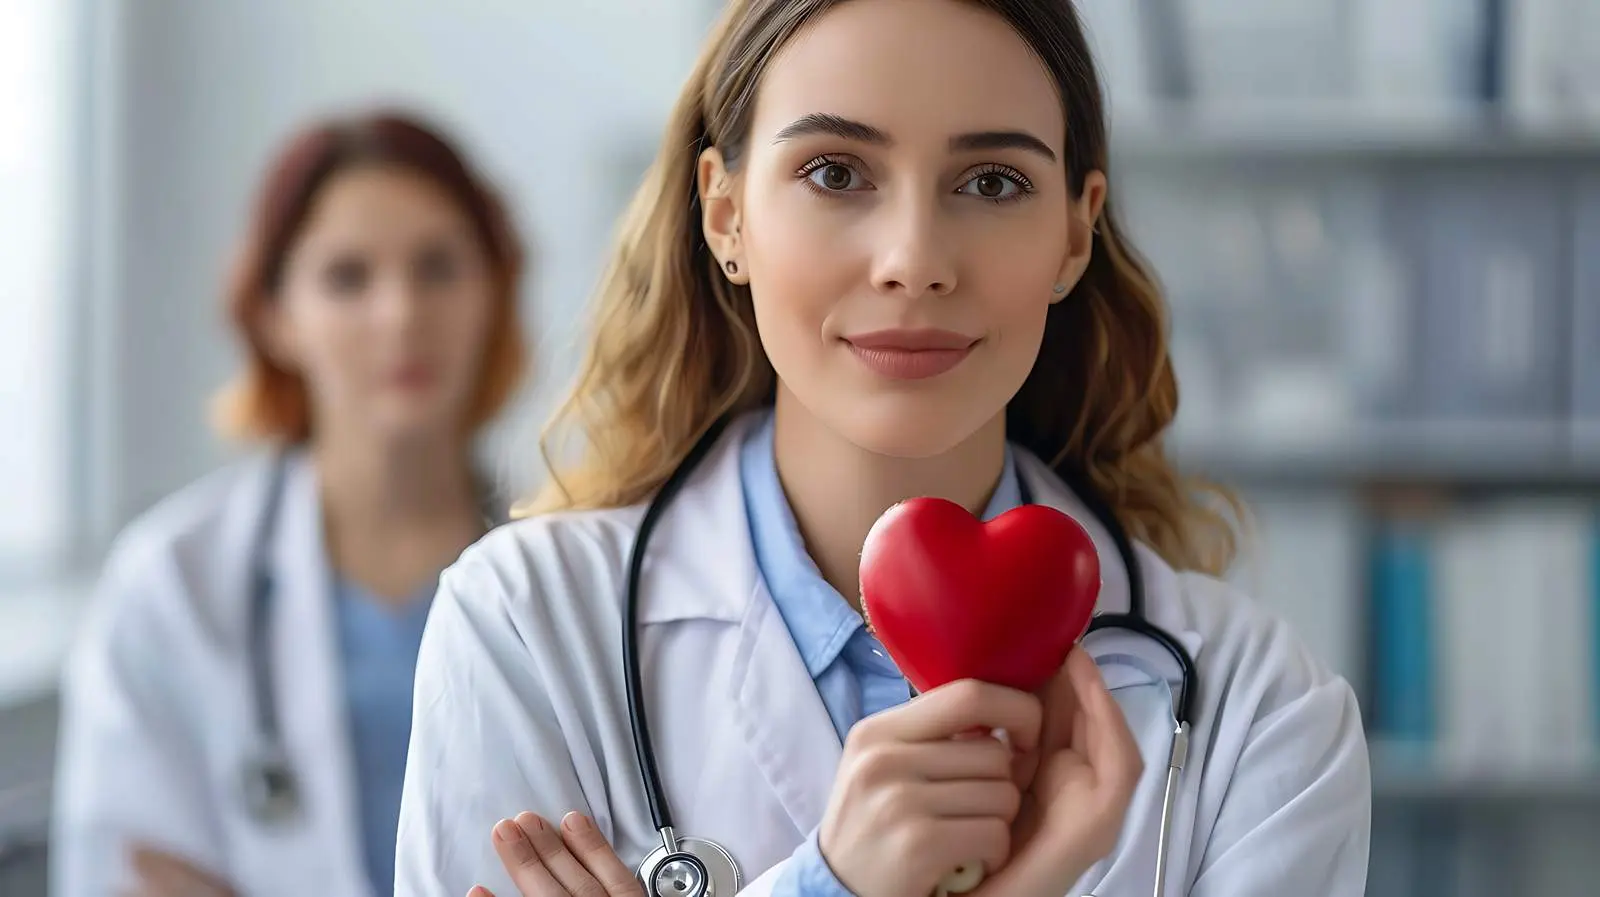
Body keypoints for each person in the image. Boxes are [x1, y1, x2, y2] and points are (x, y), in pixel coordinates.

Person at [394, 0, 1373, 894]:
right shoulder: (523, 629)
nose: (913, 261)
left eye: (991, 182)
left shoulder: (1261, 713)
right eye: (833, 173)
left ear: (1074, 234)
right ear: (725, 212)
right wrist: (830, 883)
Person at [51, 109, 530, 897]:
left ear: (494, 290)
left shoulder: (581, 570)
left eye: (439, 266)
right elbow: (129, 874)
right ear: (275, 315)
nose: (402, 313)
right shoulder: (173, 583)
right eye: (348, 277)